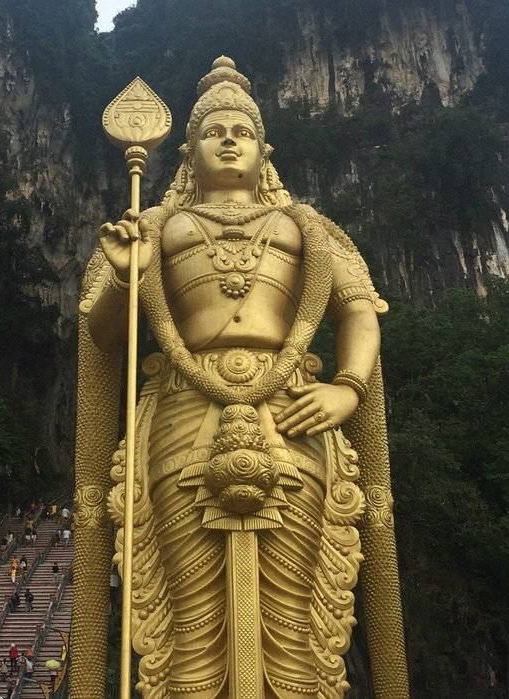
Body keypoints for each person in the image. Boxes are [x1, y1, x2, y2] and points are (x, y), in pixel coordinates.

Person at [72, 57, 407, 698]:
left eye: (242, 132)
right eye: (213, 131)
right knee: (190, 619)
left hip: (292, 412)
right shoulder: (155, 228)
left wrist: (348, 387)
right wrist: (123, 276)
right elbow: (104, 334)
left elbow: (358, 310)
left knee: (295, 618)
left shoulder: (304, 228)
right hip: (183, 415)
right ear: (189, 153)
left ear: (263, 150)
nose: (229, 141)